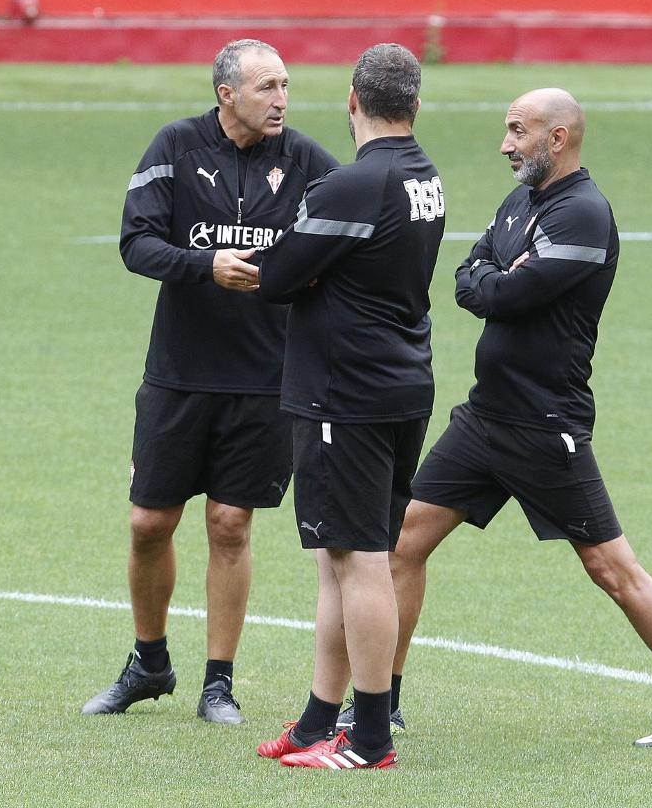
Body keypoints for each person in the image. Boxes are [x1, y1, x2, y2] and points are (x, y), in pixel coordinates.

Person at [353, 87, 652, 749]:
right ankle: (384, 705)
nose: (505, 144)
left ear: (556, 138)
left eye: (517, 131)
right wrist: (494, 276)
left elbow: (510, 291)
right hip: (484, 419)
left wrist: (498, 278)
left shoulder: (584, 214)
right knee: (403, 542)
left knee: (611, 567)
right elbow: (468, 278)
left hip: (542, 423)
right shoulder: (520, 204)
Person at [81, 40, 337, 725]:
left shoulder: (310, 162)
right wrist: (205, 264)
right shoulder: (175, 145)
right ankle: (148, 662)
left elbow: (349, 243)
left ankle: (217, 683)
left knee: (230, 525)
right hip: (178, 375)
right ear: (227, 93)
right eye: (266, 87)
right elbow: (136, 242)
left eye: (285, 84)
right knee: (148, 522)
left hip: (264, 378)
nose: (281, 98)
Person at [253, 43, 445, 770]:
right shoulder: (424, 175)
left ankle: (368, 739)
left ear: (352, 102)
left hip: (344, 392)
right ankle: (315, 722)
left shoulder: (352, 185)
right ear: (416, 106)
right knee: (340, 556)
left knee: (361, 559)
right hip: (400, 384)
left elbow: (279, 278)